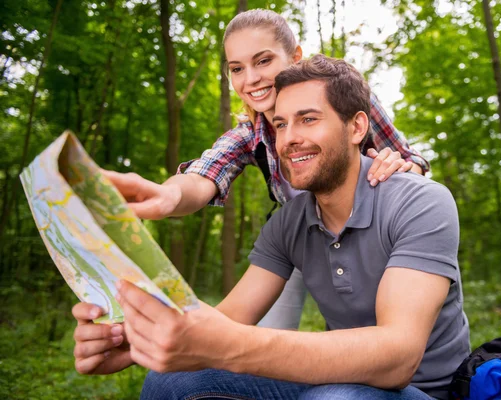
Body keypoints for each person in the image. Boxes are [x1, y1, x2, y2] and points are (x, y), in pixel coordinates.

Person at [73, 54, 469, 400]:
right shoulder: (288, 224)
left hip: (424, 392)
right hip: (339, 381)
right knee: (171, 382)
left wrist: (230, 346)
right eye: (280, 125)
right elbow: (226, 321)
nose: (290, 139)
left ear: (356, 128)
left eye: (308, 120)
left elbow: (397, 359)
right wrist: (137, 334)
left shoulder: (421, 202)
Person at [96, 8, 430, 332]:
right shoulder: (249, 135)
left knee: (368, 329)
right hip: (302, 237)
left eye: (263, 60)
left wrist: (402, 167)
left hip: (370, 231)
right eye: (237, 68)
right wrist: (166, 195)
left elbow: (410, 162)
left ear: (294, 56)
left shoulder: (343, 100)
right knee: (265, 342)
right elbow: (204, 174)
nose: (251, 79)